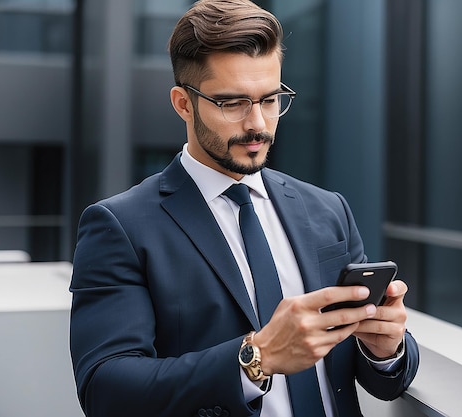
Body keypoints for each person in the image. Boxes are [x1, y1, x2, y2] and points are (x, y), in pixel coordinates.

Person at [69, 1, 419, 416]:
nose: (257, 123)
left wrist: (385, 348)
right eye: (232, 103)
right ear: (183, 103)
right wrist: (257, 357)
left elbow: (378, 377)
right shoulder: (120, 227)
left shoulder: (327, 209)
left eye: (270, 99)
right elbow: (106, 390)